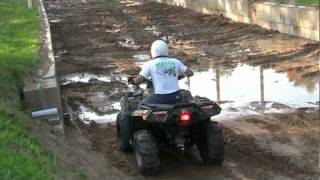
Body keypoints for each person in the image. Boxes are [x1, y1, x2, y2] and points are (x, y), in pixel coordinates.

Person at [129, 40, 193, 104]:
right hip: (176, 97)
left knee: (141, 104)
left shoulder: (150, 64)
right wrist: (179, 75)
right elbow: (190, 73)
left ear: (153, 51)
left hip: (160, 98)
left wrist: (133, 80)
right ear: (166, 50)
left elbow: (139, 80)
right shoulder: (175, 62)